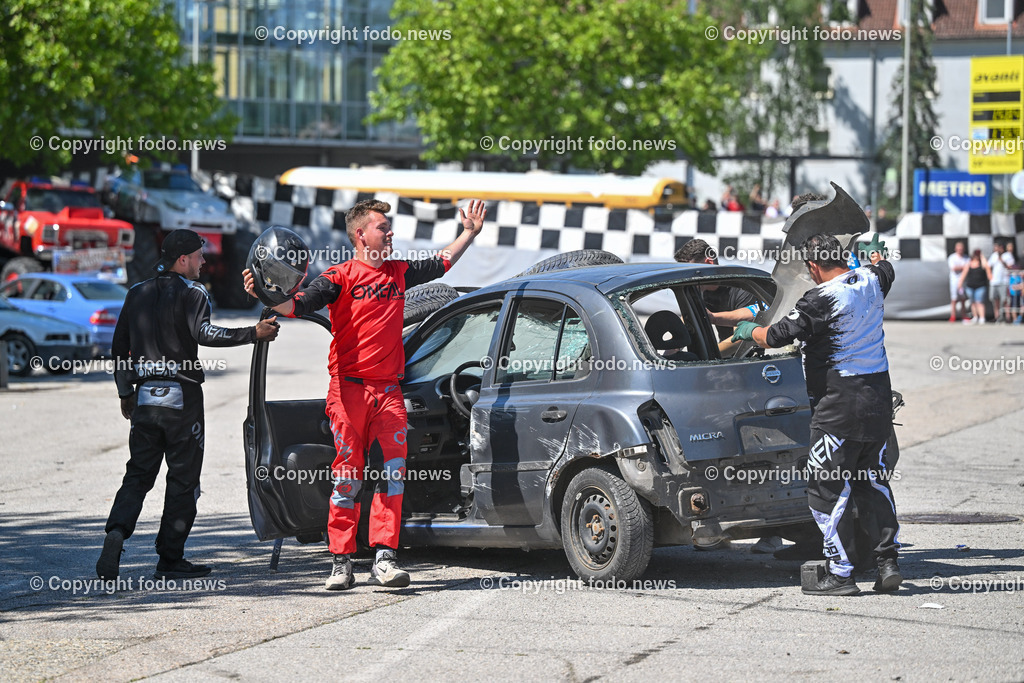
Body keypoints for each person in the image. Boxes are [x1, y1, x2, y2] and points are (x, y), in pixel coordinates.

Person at [243, 198, 485, 590]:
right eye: (383, 228)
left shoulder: (400, 271)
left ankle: (385, 559)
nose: (390, 234)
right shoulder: (338, 277)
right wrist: (264, 294)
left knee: (393, 474)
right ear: (361, 234)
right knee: (347, 477)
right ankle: (341, 561)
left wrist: (469, 232)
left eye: (389, 229)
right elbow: (295, 306)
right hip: (348, 392)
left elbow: (443, 262)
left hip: (388, 392)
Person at [96, 230, 281, 581]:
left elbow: (119, 349)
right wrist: (252, 333)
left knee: (137, 475)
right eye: (199, 255)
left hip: (146, 398)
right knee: (183, 482)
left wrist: (125, 394)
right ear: (183, 259)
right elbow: (205, 334)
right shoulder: (194, 293)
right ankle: (170, 558)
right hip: (183, 403)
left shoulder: (135, 293)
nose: (203, 262)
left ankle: (116, 534)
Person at [731, 233, 901, 596]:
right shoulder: (873, 280)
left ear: (812, 266)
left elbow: (776, 336)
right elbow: (884, 265)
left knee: (827, 489)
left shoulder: (819, 299)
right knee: (872, 483)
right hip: (878, 407)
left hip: (838, 408)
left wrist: (749, 330)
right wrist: (875, 255)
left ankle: (841, 574)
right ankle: (887, 562)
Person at [959, 249, 992, 325]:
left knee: (979, 302)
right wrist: (960, 283)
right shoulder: (969, 263)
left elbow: (986, 267)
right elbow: (964, 273)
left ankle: (982, 317)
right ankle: (975, 316)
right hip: (970, 286)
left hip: (980, 285)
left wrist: (982, 257)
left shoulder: (982, 263)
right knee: (973, 302)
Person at [988, 242, 1014, 322]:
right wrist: (990, 275)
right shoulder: (994, 255)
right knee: (995, 299)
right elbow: (988, 265)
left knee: (1005, 300)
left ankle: (1007, 317)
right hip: (994, 282)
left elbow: (1010, 266)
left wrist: (1002, 260)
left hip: (1003, 281)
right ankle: (997, 316)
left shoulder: (1007, 255)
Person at [947, 241, 970, 322]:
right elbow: (954, 268)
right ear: (956, 249)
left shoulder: (966, 258)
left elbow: (967, 268)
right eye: (958, 248)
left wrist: (963, 268)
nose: (960, 250)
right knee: (954, 299)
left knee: (963, 299)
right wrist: (963, 267)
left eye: (961, 248)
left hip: (963, 281)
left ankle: (963, 315)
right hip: (954, 281)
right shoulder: (952, 257)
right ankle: (953, 316)